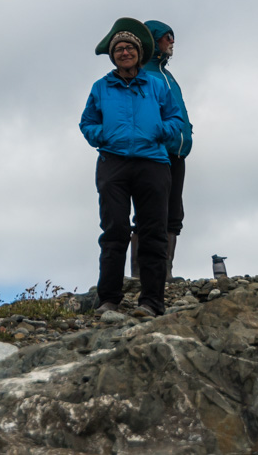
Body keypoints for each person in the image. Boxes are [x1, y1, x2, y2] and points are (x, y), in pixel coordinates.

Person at [79, 17, 183, 317]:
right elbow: (87, 123)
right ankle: (109, 299)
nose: (124, 53)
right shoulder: (101, 87)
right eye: (119, 49)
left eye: (129, 48)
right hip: (113, 163)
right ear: (113, 55)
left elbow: (175, 119)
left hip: (153, 163)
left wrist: (158, 132)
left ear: (139, 52)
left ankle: (151, 302)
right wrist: (105, 136)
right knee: (114, 230)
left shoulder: (154, 86)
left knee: (153, 232)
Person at [129, 20, 192, 281]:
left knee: (173, 214)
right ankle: (141, 275)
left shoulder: (167, 76)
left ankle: (164, 272)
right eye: (167, 37)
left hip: (177, 155)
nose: (172, 42)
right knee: (148, 213)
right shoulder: (144, 75)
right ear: (153, 40)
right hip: (155, 155)